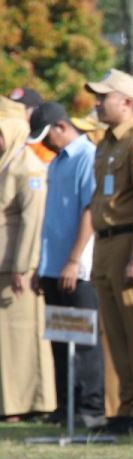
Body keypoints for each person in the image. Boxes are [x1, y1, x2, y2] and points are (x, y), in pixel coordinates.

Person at [85, 69, 133, 433]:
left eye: (104, 97)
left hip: (127, 240)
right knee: (112, 331)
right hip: (104, 242)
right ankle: (122, 409)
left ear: (127, 103)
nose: (97, 103)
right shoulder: (106, 143)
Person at [30, 102, 104, 429]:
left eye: (48, 136)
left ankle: (89, 406)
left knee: (84, 340)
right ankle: (66, 404)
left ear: (62, 127)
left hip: (78, 265)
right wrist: (41, 264)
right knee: (60, 337)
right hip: (53, 263)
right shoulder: (56, 163)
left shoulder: (88, 156)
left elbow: (89, 209)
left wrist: (74, 259)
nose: (45, 144)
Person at [0, 97, 54, 421]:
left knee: (22, 337)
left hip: (17, 269)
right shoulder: (6, 164)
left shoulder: (29, 168)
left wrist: (22, 266)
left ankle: (26, 403)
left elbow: (33, 222)